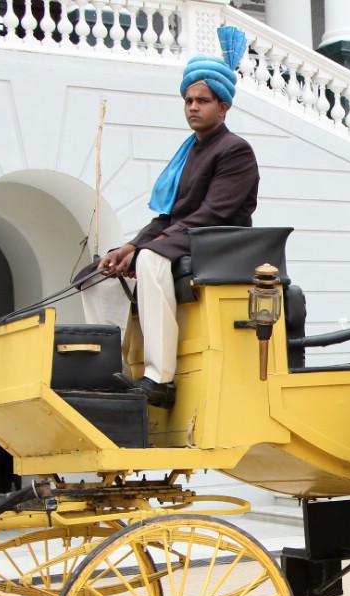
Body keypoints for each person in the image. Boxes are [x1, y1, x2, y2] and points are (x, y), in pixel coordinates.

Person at [85, 27, 259, 409]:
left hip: (218, 243)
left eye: (202, 100)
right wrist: (127, 246)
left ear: (223, 107)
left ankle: (160, 378)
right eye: (188, 100)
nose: (193, 107)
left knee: (150, 259)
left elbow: (214, 214)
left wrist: (145, 249)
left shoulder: (235, 151)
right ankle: (113, 372)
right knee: (97, 275)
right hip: (188, 238)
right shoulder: (189, 151)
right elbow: (168, 215)